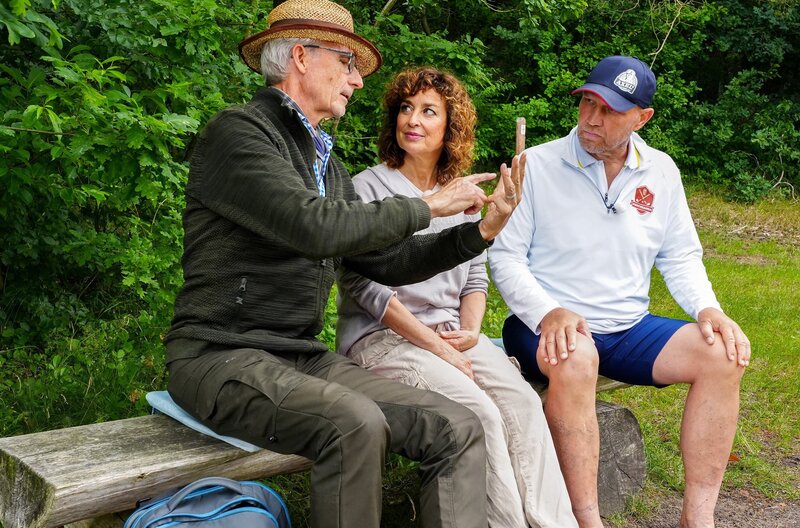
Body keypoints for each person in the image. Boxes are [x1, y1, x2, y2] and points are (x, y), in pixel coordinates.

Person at [163, 1, 526, 527]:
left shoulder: (326, 165)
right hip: (220, 356)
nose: (357, 81)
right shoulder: (238, 135)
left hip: (298, 355)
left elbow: (391, 261)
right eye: (347, 63)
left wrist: (482, 230)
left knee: (457, 422)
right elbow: (313, 226)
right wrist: (427, 206)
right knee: (354, 423)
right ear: (303, 57)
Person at [489, 56, 751, 528]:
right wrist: (548, 311)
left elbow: (680, 256)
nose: (591, 118)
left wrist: (707, 308)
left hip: (627, 328)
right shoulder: (539, 165)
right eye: (587, 102)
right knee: (577, 357)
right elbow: (505, 258)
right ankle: (587, 520)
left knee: (723, 355)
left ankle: (699, 517)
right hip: (544, 328)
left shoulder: (661, 171)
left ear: (641, 117)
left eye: (608, 110)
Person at [336, 67, 576, 528]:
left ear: (450, 128)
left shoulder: (464, 192)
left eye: (429, 111)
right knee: (479, 411)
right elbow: (362, 285)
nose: (414, 119)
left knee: (523, 402)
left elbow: (474, 278)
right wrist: (436, 345)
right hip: (383, 339)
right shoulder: (367, 188)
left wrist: (468, 333)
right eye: (406, 108)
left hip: (451, 335)